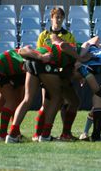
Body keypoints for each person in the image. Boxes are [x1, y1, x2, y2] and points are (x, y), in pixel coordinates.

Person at [34, 7, 79, 141]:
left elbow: (72, 55)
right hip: (47, 73)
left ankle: (65, 133)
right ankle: (38, 134)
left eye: (61, 17)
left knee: (65, 102)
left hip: (63, 75)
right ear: (51, 18)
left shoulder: (69, 35)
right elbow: (39, 52)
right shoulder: (44, 35)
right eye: (56, 17)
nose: (58, 19)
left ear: (64, 19)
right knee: (46, 104)